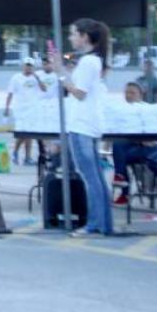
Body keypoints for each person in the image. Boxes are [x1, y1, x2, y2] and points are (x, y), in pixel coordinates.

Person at [50, 18, 113, 236]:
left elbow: (79, 92)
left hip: (82, 125)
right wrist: (63, 70)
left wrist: (59, 72)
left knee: (90, 176)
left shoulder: (88, 62)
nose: (71, 37)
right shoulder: (93, 61)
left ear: (84, 36)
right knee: (94, 175)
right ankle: (103, 222)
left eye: (73, 33)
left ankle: (95, 223)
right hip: (87, 124)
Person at [111, 82, 157, 205]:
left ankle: (124, 188)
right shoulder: (122, 110)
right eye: (127, 92)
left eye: (132, 93)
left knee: (122, 150)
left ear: (141, 94)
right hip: (134, 146)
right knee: (118, 146)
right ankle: (121, 179)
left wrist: (148, 137)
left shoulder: (148, 109)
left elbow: (153, 128)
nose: (129, 95)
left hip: (153, 146)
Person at [4, 58, 46, 165]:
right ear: (23, 66)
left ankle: (27, 157)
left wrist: (37, 78)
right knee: (22, 134)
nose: (28, 68)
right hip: (20, 110)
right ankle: (15, 152)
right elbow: (10, 93)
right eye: (27, 65)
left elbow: (44, 89)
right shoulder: (16, 78)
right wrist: (6, 108)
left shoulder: (36, 77)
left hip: (32, 109)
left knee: (30, 134)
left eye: (30, 66)